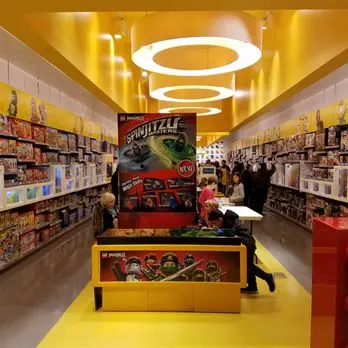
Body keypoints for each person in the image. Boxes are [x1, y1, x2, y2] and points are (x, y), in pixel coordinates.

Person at [207, 209, 276, 294]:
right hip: (245, 242)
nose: (214, 225)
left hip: (247, 243)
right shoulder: (227, 220)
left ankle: (268, 277)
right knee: (247, 266)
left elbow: (230, 233)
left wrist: (217, 232)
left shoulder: (229, 223)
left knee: (247, 266)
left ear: (220, 219)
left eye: (214, 223)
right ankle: (252, 287)